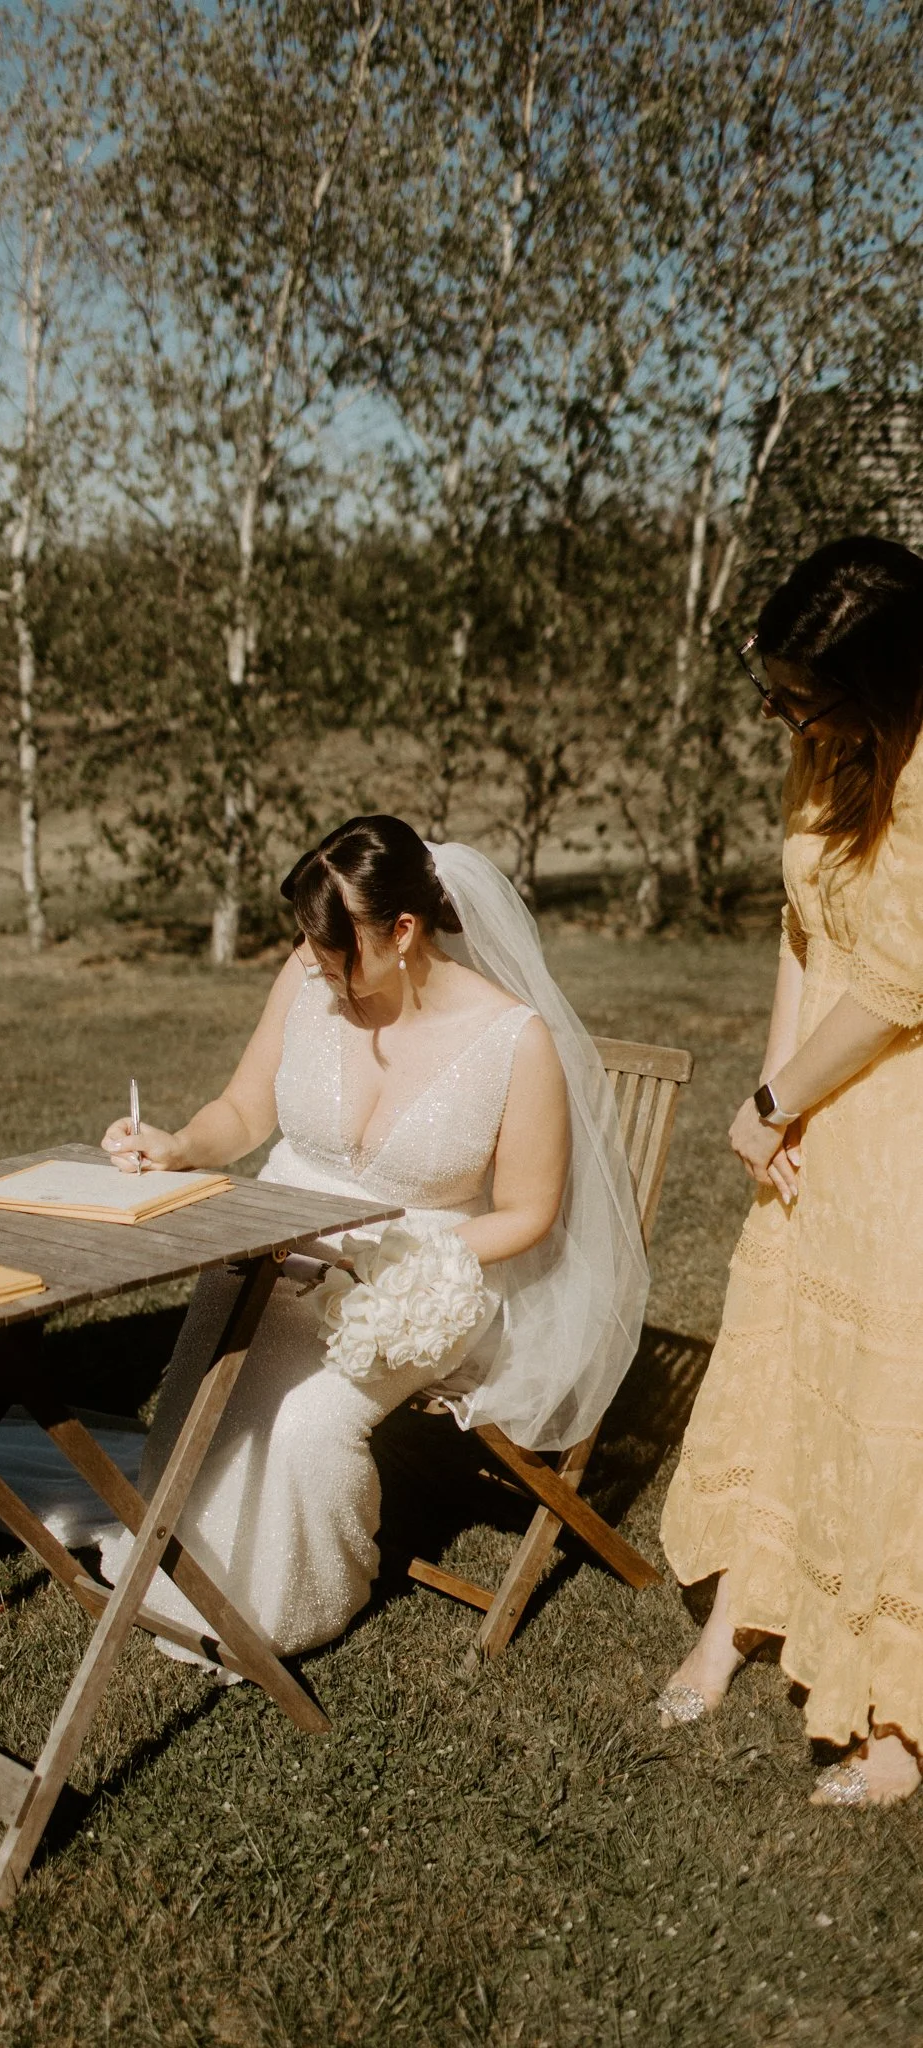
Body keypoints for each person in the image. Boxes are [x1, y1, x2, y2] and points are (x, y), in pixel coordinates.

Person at [95, 816, 647, 1662]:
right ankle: (172, 1554)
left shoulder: (512, 1041)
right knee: (202, 1383)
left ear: (402, 930)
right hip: (276, 1237)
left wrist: (399, 1262)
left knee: (308, 1422)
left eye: (333, 946)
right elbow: (243, 1110)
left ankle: (286, 1607)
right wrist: (177, 1146)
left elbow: (528, 1212)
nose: (314, 963)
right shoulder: (308, 972)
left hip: (417, 1272)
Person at [659, 537, 923, 1808]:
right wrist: (767, 1108)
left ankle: (894, 1711)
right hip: (818, 1090)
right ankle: (746, 1607)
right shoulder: (823, 742)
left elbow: (893, 982)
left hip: (903, 1111)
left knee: (887, 1388)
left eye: (795, 698)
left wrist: (787, 1094)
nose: (778, 718)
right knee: (777, 1351)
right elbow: (801, 929)